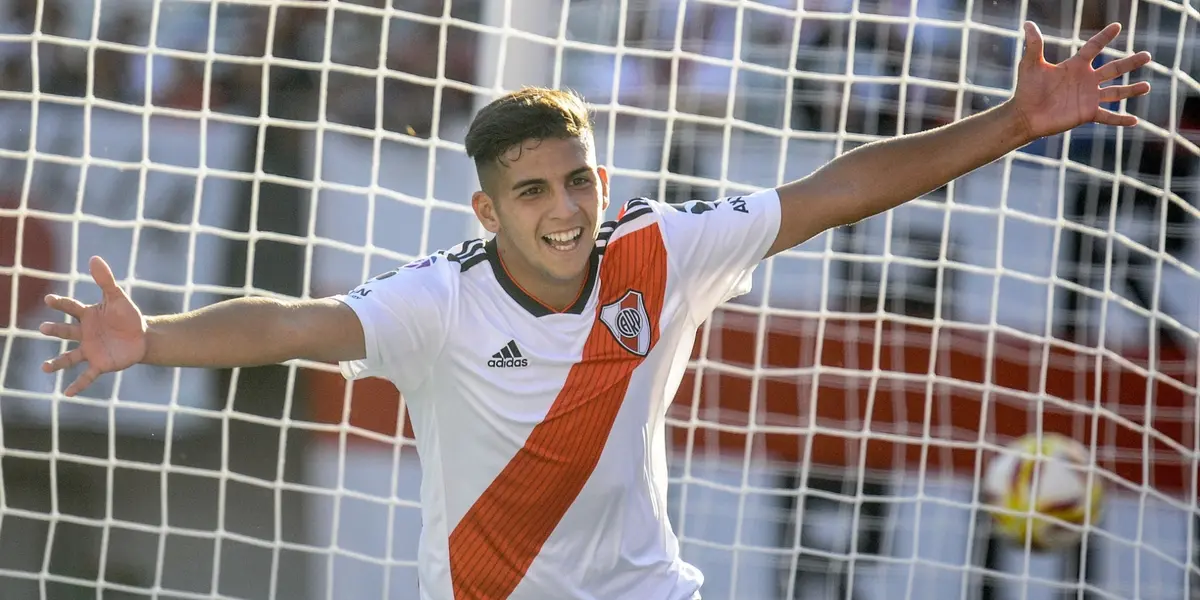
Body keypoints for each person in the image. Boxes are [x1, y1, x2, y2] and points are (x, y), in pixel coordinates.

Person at [38, 21, 1151, 600]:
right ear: (489, 210)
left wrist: (1013, 123)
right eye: (532, 193)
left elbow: (836, 191)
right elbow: (290, 323)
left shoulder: (662, 249)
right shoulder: (436, 302)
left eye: (578, 182)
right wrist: (154, 339)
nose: (564, 210)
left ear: (602, 182)